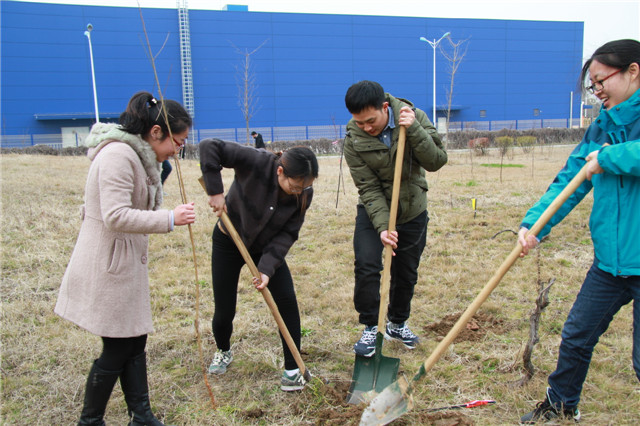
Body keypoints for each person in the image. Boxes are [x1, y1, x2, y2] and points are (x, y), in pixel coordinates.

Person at [54, 91, 195, 425]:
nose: (179, 150)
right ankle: (90, 421)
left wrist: (158, 173)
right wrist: (171, 218)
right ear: (156, 132)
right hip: (109, 266)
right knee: (118, 347)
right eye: (177, 141)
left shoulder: (141, 157)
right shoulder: (118, 155)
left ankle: (141, 415)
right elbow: (116, 215)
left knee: (135, 341)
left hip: (125, 263)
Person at [518, 39, 640, 423]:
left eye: (601, 80)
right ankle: (560, 404)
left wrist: (610, 158)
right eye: (593, 84)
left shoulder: (611, 142)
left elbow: (605, 162)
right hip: (610, 261)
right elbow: (571, 177)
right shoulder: (603, 124)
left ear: (633, 71)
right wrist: (535, 223)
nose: (597, 90)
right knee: (576, 336)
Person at [199, 138, 318, 391]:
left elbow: (288, 233)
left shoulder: (304, 193)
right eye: (295, 186)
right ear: (280, 171)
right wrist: (215, 191)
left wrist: (266, 268)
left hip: (265, 247)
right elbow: (210, 146)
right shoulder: (257, 161)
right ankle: (223, 350)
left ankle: (293, 368)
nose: (300, 192)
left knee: (286, 300)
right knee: (224, 308)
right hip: (228, 239)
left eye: (305, 187)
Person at [343, 80, 447, 357]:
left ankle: (397, 323)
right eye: (359, 122)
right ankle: (369, 327)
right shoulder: (353, 139)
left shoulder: (414, 117)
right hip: (373, 209)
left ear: (385, 107)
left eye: (371, 120)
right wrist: (381, 227)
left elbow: (436, 160)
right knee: (366, 265)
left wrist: (413, 129)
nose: (366, 127)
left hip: (412, 208)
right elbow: (368, 187)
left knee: (406, 272)